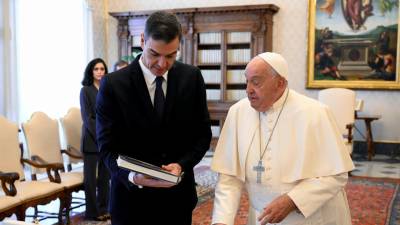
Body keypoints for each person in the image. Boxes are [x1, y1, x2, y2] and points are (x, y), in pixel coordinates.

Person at [211, 52, 354, 225]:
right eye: (246, 81)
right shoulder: (237, 112)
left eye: (256, 82)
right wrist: (221, 221)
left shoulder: (315, 113)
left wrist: (293, 200)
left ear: (280, 84)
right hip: (261, 218)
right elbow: (229, 177)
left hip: (310, 218)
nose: (248, 89)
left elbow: (337, 175)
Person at [96, 11, 212, 225]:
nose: (162, 64)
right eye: (154, 53)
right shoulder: (113, 85)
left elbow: (202, 135)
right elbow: (106, 147)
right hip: (130, 202)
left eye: (171, 55)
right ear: (142, 40)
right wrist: (132, 176)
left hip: (177, 201)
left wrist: (182, 165)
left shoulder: (192, 78)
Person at [79, 58, 111, 221]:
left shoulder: (107, 89)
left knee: (105, 177)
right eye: (96, 69)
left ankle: (104, 208)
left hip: (106, 140)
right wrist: (101, 135)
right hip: (92, 140)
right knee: (91, 179)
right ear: (91, 71)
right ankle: (92, 212)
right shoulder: (85, 90)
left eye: (102, 69)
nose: (99, 72)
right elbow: (87, 118)